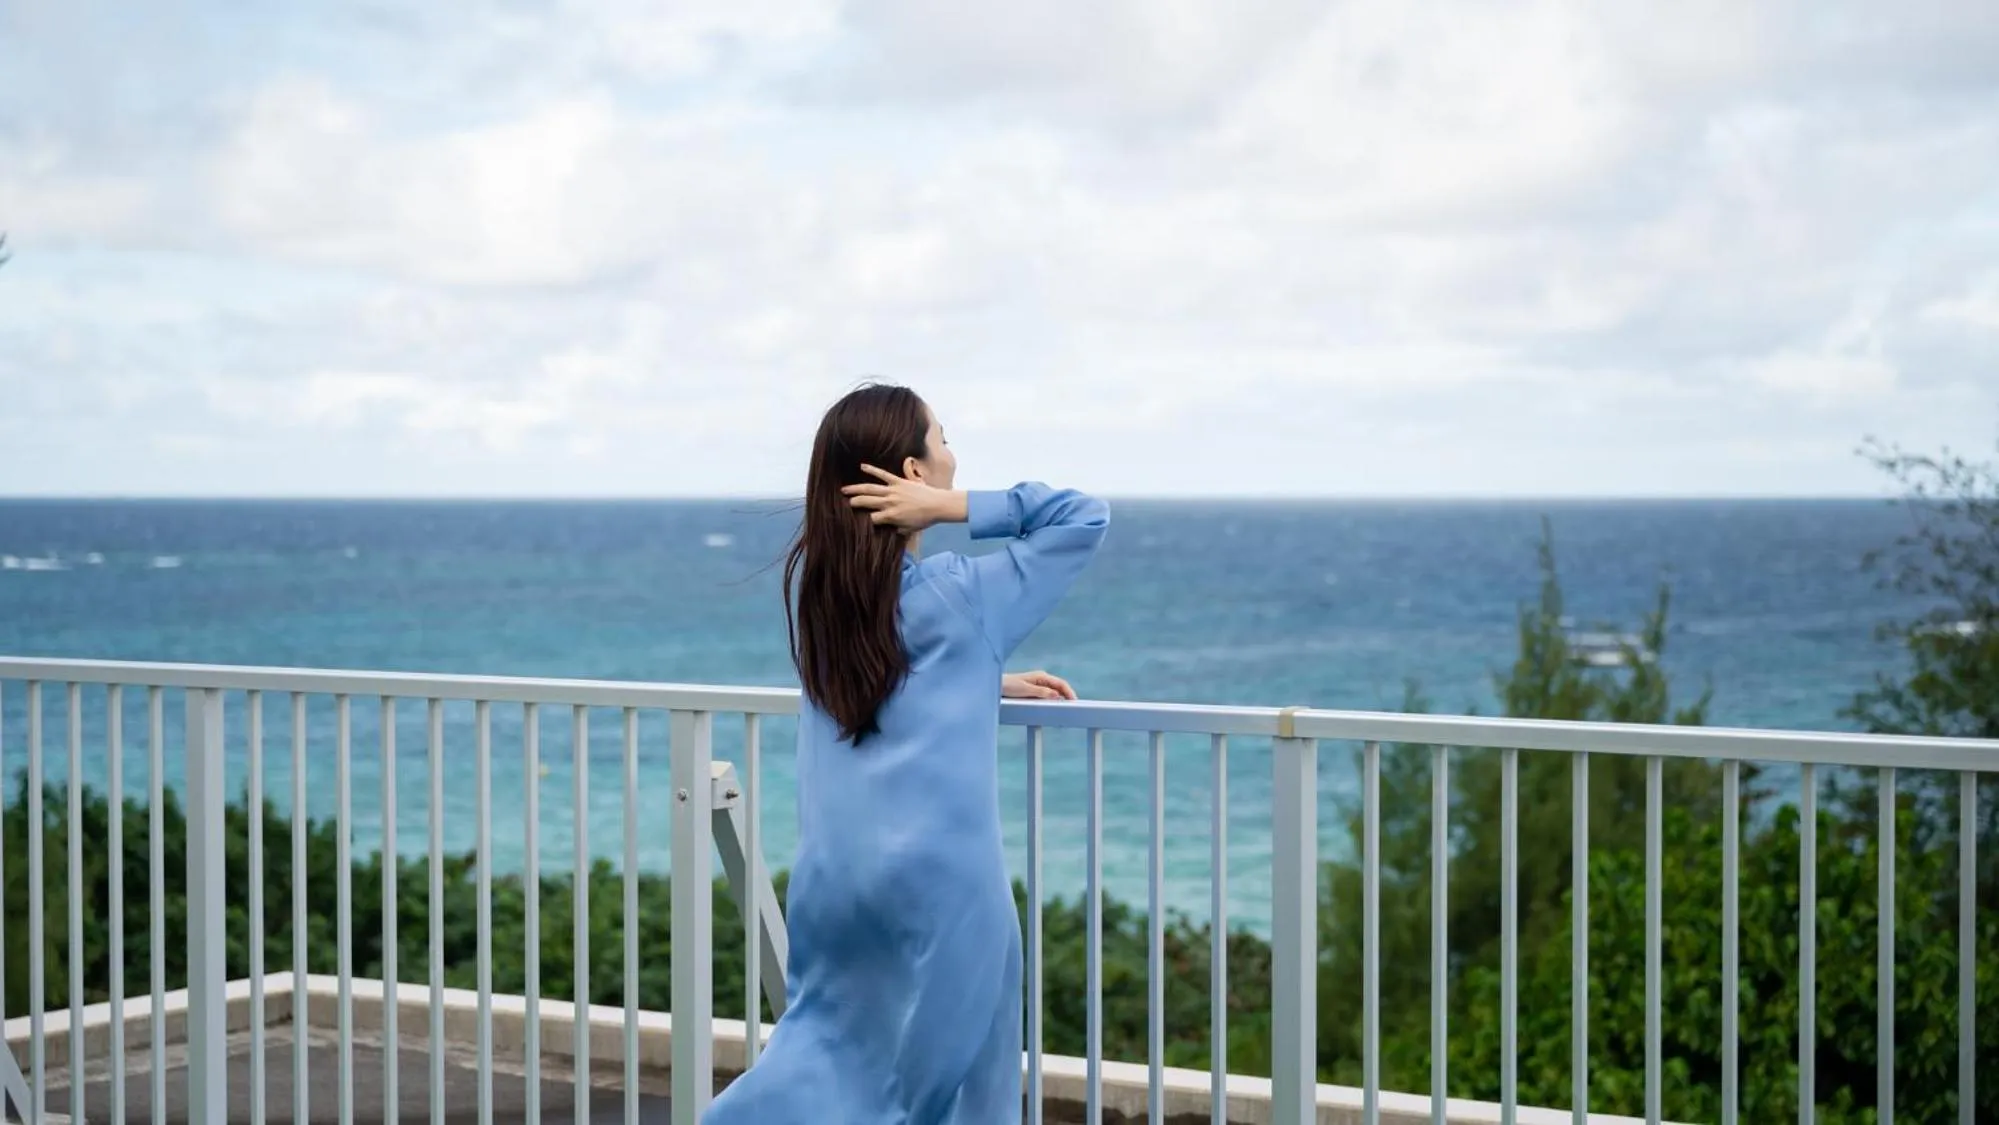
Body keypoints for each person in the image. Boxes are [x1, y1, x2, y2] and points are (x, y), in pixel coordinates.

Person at [703, 383, 1109, 1124]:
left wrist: (981, 677)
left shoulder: (827, 608)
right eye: (942, 438)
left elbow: (893, 687)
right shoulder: (963, 595)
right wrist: (956, 511)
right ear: (913, 475)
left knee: (820, 1051)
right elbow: (1082, 515)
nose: (954, 454)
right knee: (948, 1089)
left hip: (834, 881)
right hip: (941, 889)